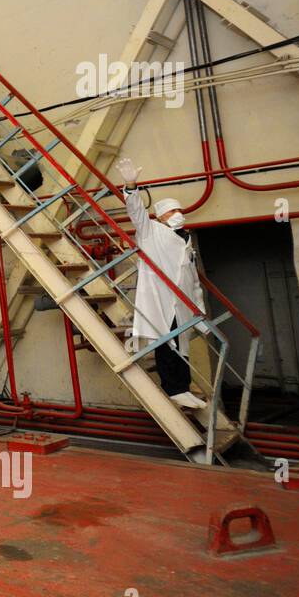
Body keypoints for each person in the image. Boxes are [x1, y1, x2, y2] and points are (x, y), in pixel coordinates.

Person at [115, 157, 209, 410]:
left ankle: (184, 388)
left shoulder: (186, 239)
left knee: (183, 347)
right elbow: (135, 212)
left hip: (183, 302)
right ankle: (173, 389)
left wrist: (200, 309)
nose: (178, 215)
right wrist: (131, 185)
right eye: (172, 212)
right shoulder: (150, 231)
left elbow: (194, 279)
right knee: (168, 344)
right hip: (161, 297)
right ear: (160, 215)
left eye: (180, 211)